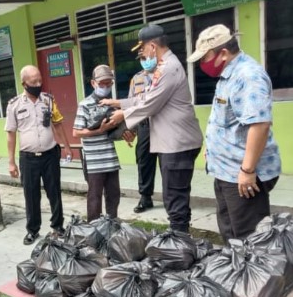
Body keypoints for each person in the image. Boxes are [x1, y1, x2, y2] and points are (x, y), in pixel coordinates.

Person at [100, 24, 203, 233]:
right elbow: (145, 97)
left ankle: (180, 243)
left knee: (175, 198)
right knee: (173, 197)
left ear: (153, 46)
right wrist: (119, 103)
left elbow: (150, 104)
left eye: (144, 49)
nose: (143, 53)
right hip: (171, 143)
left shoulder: (168, 68)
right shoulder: (163, 67)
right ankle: (179, 239)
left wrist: (122, 115)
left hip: (177, 144)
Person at [187, 24, 281, 243]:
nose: (203, 64)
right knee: (230, 230)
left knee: (250, 238)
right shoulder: (229, 75)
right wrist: (213, 150)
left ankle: (254, 276)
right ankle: (236, 270)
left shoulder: (248, 76)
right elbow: (229, 122)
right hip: (226, 170)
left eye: (205, 58)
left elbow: (259, 125)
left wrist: (247, 170)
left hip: (243, 174)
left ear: (223, 53)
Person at [5, 65, 72, 245]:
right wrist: (11, 162)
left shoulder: (49, 100)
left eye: (40, 80)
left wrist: (66, 147)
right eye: (33, 82)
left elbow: (57, 124)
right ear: (24, 83)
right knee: (31, 195)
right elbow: (10, 134)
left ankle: (58, 226)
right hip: (28, 158)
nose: (38, 84)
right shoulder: (14, 105)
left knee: (54, 192)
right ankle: (32, 230)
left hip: (50, 154)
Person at [72, 64, 132, 222]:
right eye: (102, 84)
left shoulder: (113, 104)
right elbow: (76, 132)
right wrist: (99, 130)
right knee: (94, 198)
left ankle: (111, 225)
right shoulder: (84, 104)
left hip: (110, 159)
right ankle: (94, 230)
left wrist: (126, 134)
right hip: (93, 162)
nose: (105, 87)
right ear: (93, 83)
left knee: (114, 195)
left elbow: (116, 131)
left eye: (108, 84)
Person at [128, 53, 158, 214]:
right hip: (144, 125)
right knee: (144, 161)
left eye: (148, 58)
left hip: (162, 123)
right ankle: (145, 197)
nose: (146, 62)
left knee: (167, 161)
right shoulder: (136, 79)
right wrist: (131, 130)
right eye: (142, 59)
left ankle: (171, 198)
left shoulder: (164, 74)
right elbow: (130, 105)